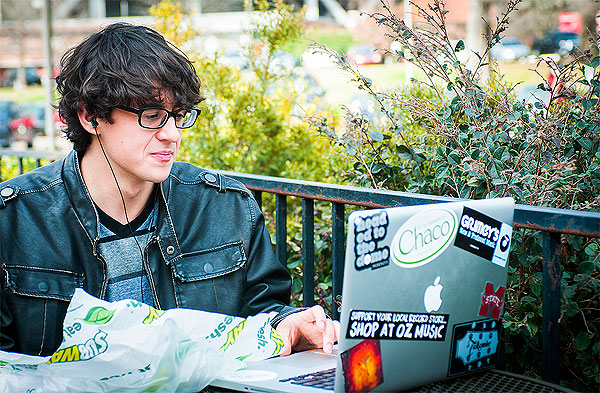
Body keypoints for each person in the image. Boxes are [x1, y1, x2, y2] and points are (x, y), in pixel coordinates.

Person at [0, 22, 339, 358]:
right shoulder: (14, 222)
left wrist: (289, 325)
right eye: (152, 115)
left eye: (178, 115)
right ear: (91, 117)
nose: (172, 134)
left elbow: (261, 315)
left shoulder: (223, 207)